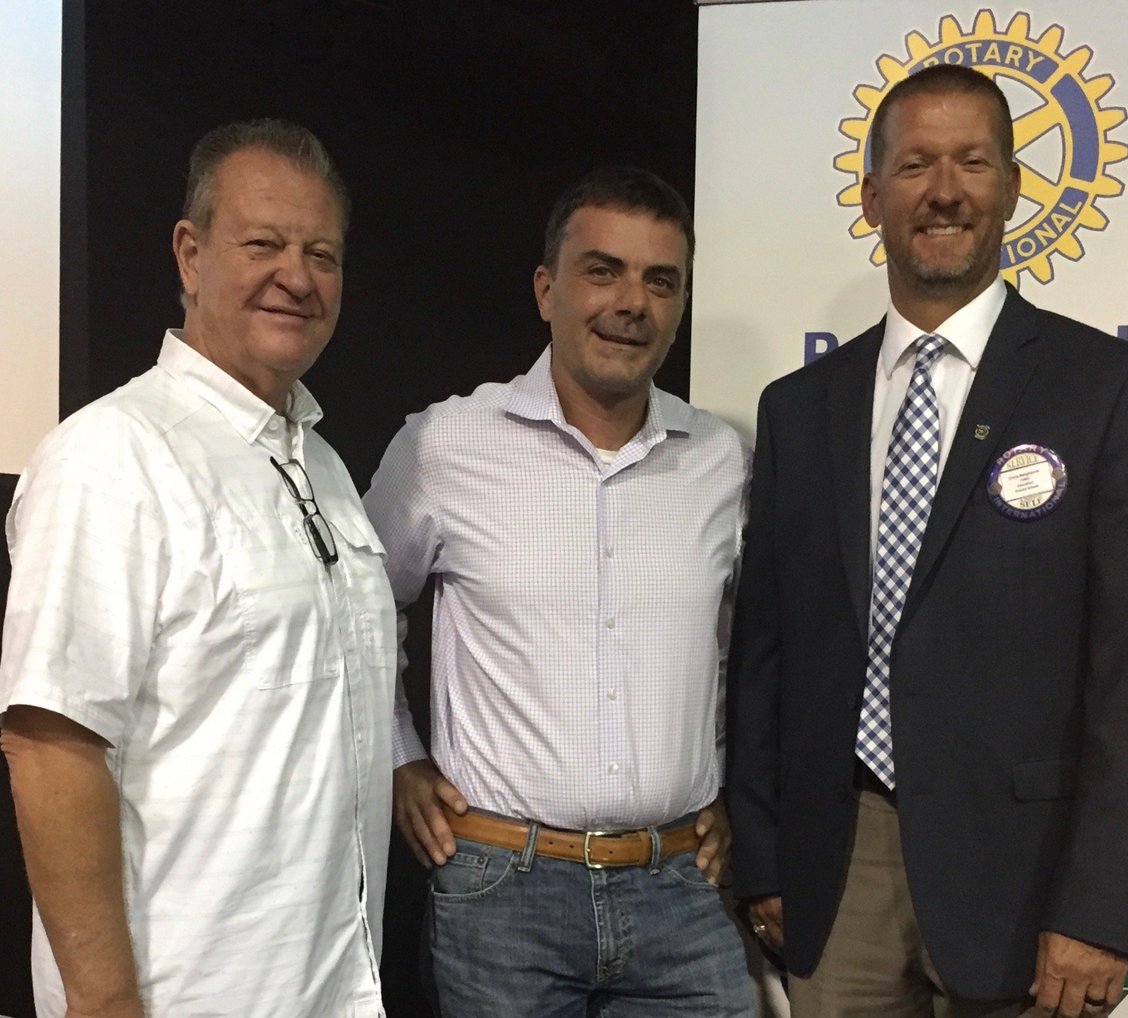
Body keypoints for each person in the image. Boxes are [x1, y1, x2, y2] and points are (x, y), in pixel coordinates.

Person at [727, 64, 1128, 1018]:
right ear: (870, 196)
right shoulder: (799, 407)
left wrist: (1102, 907)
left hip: (1037, 879)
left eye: (972, 161)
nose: (944, 190)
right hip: (840, 867)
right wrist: (766, 855)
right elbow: (767, 655)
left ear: (1013, 187)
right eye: (914, 165)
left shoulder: (1111, 386)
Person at [0, 119, 396, 1018]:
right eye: (263, 244)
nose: (296, 276)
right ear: (189, 253)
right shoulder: (111, 457)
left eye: (322, 253)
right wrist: (105, 1006)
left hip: (334, 987)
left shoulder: (323, 468)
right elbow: (50, 747)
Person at [363, 165, 756, 1017]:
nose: (632, 303)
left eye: (661, 281)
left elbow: (745, 649)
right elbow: (357, 612)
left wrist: (731, 787)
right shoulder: (444, 445)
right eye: (602, 270)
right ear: (547, 289)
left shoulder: (721, 460)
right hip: (503, 894)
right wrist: (396, 756)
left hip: (682, 889)